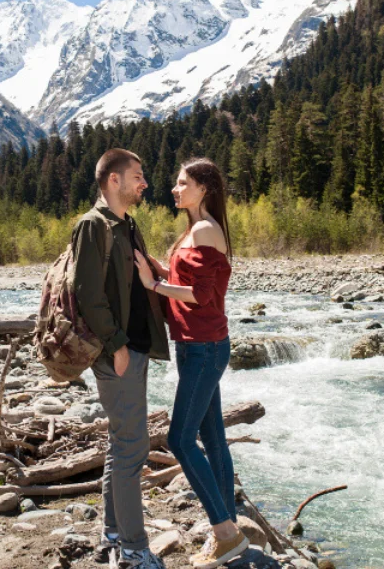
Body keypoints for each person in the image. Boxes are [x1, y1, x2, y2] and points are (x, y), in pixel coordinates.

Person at [134, 158, 247, 569]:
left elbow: (199, 295)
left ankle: (225, 533)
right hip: (201, 345)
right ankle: (230, 527)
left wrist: (155, 284)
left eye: (183, 183)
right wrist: (160, 269)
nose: (175, 189)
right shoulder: (197, 230)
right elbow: (196, 284)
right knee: (212, 436)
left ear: (204, 188)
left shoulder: (204, 230)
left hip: (203, 348)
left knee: (179, 440)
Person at [72, 148, 170, 569]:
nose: (144, 182)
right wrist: (116, 346)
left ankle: (113, 535)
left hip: (133, 348)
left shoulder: (125, 224)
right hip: (120, 352)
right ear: (113, 180)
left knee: (122, 444)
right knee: (132, 448)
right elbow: (87, 294)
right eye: (137, 175)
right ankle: (133, 549)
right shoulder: (92, 226)